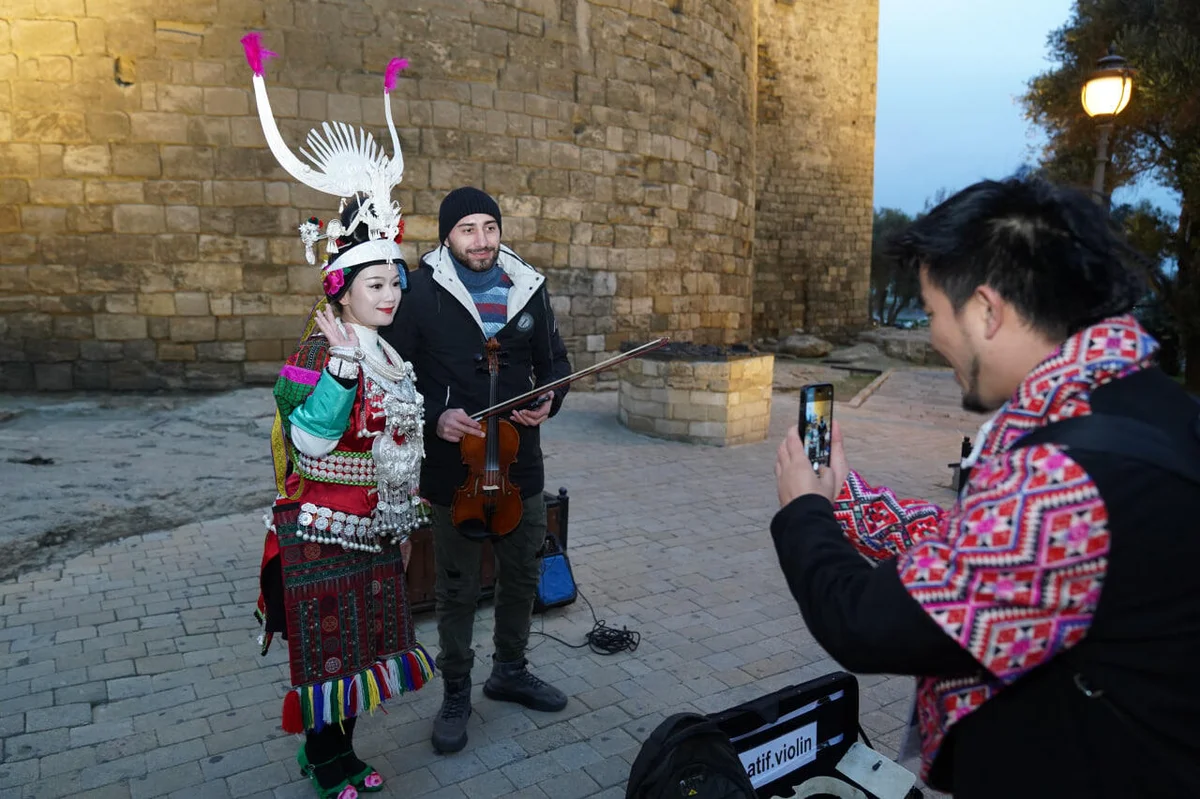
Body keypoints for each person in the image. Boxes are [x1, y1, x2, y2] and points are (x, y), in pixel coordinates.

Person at [769, 172, 1200, 798]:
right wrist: (847, 502)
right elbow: (984, 551)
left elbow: (864, 624)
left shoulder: (1062, 477)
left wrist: (804, 510)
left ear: (987, 310)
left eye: (933, 312)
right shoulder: (1137, 401)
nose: (935, 337)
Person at [244, 36, 434, 799]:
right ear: (343, 288)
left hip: (375, 531)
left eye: (396, 281)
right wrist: (344, 371)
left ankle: (337, 752)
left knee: (362, 654)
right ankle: (327, 763)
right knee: (330, 657)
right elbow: (310, 439)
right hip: (324, 532)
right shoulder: (330, 350)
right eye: (375, 282)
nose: (390, 293)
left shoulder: (389, 351)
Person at [383, 186, 573, 754]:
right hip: (453, 467)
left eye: (489, 227)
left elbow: (555, 362)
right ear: (447, 235)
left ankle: (509, 669)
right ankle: (457, 690)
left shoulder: (528, 287)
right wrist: (435, 418)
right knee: (458, 585)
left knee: (522, 572)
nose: (482, 241)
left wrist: (550, 399)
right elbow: (394, 376)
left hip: (520, 461)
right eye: (468, 229)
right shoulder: (419, 294)